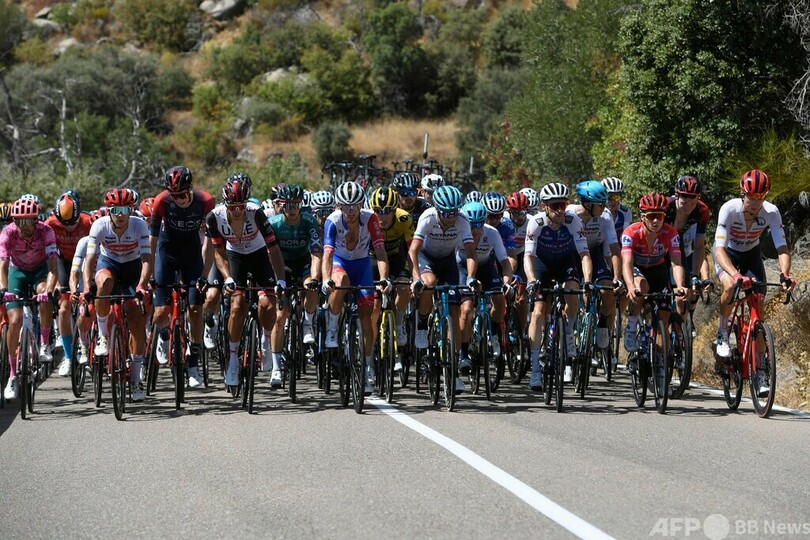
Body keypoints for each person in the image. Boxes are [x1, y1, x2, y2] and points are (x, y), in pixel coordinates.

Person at [713, 170, 797, 397]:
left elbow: (782, 247)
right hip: (728, 254)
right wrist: (735, 275)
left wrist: (785, 274)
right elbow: (719, 250)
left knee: (758, 307)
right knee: (730, 286)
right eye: (751, 197)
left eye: (761, 197)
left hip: (751, 255)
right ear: (743, 193)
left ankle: (760, 372)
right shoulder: (729, 209)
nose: (756, 202)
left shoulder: (771, 212)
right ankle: (722, 332)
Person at [206, 174, 287, 388]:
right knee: (236, 306)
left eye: (241, 206)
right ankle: (233, 361)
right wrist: (228, 278)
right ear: (225, 204)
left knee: (268, 305)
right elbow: (218, 252)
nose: (237, 210)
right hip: (235, 257)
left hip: (259, 256)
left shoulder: (256, 213)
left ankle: (265, 339)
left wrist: (280, 280)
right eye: (232, 206)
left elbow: (273, 249)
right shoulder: (214, 217)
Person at [322, 181, 392, 395]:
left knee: (366, 316)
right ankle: (333, 327)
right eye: (346, 205)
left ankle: (368, 364)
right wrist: (326, 279)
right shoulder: (332, 220)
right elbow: (327, 253)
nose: (351, 210)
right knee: (340, 282)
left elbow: (380, 252)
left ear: (362, 204)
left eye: (356, 205)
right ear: (339, 205)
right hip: (340, 262)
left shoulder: (370, 219)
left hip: (361, 264)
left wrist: (384, 278)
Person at [149, 166, 216, 389]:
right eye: (174, 195)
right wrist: (150, 274)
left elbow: (209, 242)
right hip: (166, 253)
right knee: (161, 312)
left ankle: (193, 363)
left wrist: (204, 274)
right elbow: (152, 241)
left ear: (190, 188)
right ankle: (163, 334)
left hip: (191, 255)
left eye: (182, 194)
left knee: (195, 308)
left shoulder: (206, 201)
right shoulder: (161, 201)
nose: (179, 199)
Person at [84, 189, 153, 402]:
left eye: (125, 209)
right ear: (109, 211)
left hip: (132, 268)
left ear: (131, 210)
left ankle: (136, 378)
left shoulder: (139, 225)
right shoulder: (99, 225)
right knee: (104, 283)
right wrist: (86, 287)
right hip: (109, 265)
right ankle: (103, 336)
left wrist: (142, 285)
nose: (121, 214)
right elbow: (90, 259)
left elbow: (147, 259)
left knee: (135, 318)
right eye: (116, 210)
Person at [409, 185, 478, 394]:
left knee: (455, 312)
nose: (451, 217)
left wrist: (471, 277)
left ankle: (453, 371)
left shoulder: (462, 220)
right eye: (447, 213)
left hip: (447, 261)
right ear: (438, 210)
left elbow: (471, 253)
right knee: (429, 283)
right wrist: (416, 278)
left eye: (454, 212)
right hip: (426, 258)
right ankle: (422, 325)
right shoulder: (428, 217)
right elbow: (413, 251)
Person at [524, 182, 592, 390]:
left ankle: (568, 332)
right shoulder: (536, 223)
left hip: (565, 262)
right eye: (555, 206)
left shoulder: (573, 221)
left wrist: (588, 281)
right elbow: (528, 256)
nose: (560, 210)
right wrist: (531, 280)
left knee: (573, 295)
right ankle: (535, 369)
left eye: (563, 205)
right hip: (542, 264)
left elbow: (584, 254)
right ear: (544, 206)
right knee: (538, 313)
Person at [621, 193, 687, 395]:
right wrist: (630, 286)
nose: (656, 221)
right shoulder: (631, 233)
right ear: (643, 217)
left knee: (664, 318)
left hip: (658, 270)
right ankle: (632, 326)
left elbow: (676, 263)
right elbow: (626, 264)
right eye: (651, 216)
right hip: (637, 269)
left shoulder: (670, 233)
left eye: (660, 216)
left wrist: (680, 286)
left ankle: (660, 368)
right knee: (641, 287)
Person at [1, 198, 59, 400]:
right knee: (15, 320)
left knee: (44, 295)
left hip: (40, 271)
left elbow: (53, 267)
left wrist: (49, 290)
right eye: (19, 221)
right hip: (17, 271)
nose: (23, 226)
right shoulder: (8, 232)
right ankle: (12, 375)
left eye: (27, 221)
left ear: (36, 220)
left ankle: (44, 343)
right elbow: (3, 265)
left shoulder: (46, 231)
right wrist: (4, 289)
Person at [267, 184, 323, 388]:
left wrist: (315, 278)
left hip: (303, 264)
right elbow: (268, 254)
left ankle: (308, 322)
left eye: (296, 205)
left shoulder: (309, 221)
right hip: (282, 266)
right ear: (281, 205)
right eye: (287, 205)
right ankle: (276, 368)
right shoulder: (273, 224)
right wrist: (276, 280)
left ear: (301, 205)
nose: (291, 209)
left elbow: (316, 252)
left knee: (311, 286)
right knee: (280, 316)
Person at [457, 201, 513, 374]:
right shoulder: (458, 232)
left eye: (479, 224)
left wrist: (506, 282)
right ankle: (463, 354)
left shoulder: (492, 233)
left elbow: (505, 262)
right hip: (462, 267)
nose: (476, 229)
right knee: (466, 309)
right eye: (472, 225)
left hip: (486, 268)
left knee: (499, 300)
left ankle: (494, 334)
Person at [568, 180, 622, 355]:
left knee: (608, 290)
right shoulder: (570, 214)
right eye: (600, 204)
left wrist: (617, 277)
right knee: (573, 293)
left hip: (593, 252)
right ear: (588, 204)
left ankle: (602, 326)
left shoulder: (605, 216)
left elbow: (614, 248)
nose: (605, 207)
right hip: (571, 254)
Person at [46, 191, 93, 377]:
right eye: (64, 224)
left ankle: (87, 344)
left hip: (84, 262)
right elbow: (48, 257)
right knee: (64, 309)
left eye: (73, 223)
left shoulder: (89, 222)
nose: (69, 228)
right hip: (63, 263)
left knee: (87, 303)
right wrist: (56, 283)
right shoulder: (50, 224)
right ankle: (67, 356)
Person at [368, 186, 414, 372]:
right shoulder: (367, 219)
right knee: (374, 307)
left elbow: (411, 250)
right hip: (373, 259)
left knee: (403, 288)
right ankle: (370, 349)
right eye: (378, 211)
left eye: (387, 211)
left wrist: (415, 277)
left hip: (397, 259)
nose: (382, 216)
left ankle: (400, 323)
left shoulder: (404, 219)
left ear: (395, 210)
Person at [664, 175, 712, 316]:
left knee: (685, 289)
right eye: (684, 203)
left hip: (678, 244)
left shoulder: (701, 211)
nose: (688, 208)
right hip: (661, 244)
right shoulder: (665, 207)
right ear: (677, 196)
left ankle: (683, 323)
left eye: (692, 203)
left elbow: (699, 246)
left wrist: (695, 275)